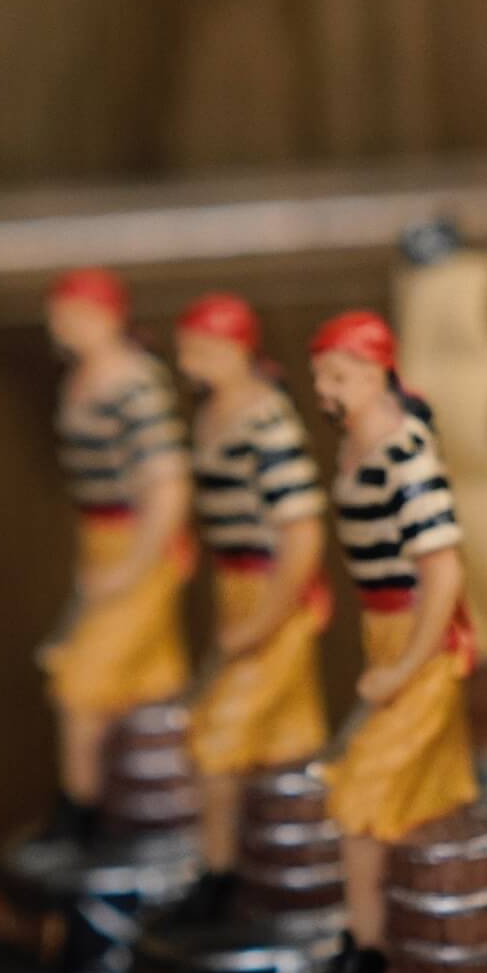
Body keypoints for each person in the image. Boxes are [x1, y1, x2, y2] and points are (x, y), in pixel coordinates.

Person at [307, 310, 479, 973]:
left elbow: (443, 573)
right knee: (409, 798)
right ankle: (395, 943)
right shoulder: (357, 446)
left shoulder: (405, 455)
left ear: (378, 371)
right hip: (385, 631)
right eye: (320, 376)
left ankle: (370, 951)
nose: (326, 389)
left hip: (420, 642)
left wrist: (407, 666)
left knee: (360, 794)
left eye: (339, 375)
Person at [173, 293, 330, 923]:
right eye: (187, 348)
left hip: (272, 595)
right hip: (235, 587)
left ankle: (221, 877)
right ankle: (271, 879)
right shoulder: (212, 411)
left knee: (216, 737)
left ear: (238, 348)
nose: (191, 360)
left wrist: (264, 620)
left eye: (204, 347)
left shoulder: (267, 422)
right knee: (277, 738)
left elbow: (301, 536)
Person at [40, 267, 193, 846]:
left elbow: (168, 487)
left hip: (139, 546)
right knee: (133, 684)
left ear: (109, 316)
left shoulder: (136, 386)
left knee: (82, 684)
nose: (65, 326)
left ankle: (82, 815)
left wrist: (133, 566)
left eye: (77, 314)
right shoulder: (80, 378)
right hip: (102, 543)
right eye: (59, 316)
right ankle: (128, 813)